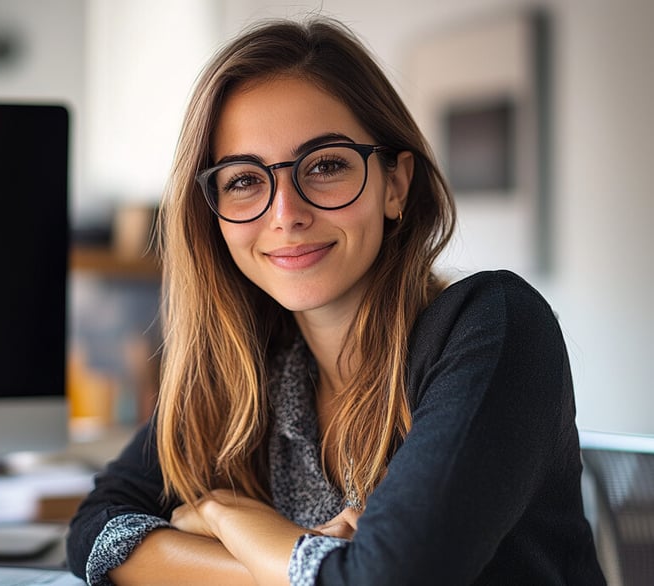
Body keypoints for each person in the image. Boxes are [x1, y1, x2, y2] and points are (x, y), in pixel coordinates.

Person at [66, 17, 604, 585]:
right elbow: (96, 533)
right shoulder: (248, 366)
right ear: (214, 213)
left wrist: (227, 518)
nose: (286, 214)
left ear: (394, 185)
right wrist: (285, 564)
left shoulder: (493, 324)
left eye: (325, 166)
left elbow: (389, 580)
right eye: (244, 179)